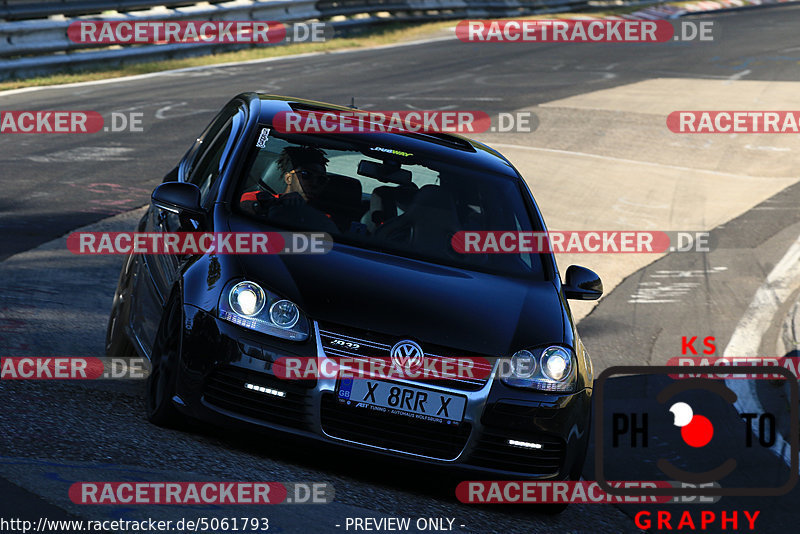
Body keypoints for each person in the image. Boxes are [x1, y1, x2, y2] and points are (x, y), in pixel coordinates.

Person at [240, 146, 329, 212]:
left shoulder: (322, 218)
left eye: (321, 179)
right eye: (306, 175)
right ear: (288, 178)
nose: (314, 183)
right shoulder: (256, 198)